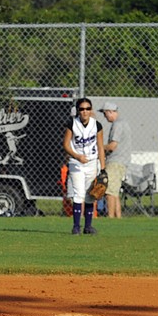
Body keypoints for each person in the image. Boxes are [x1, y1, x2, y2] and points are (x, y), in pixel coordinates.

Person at [63, 97, 105, 235]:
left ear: (91, 110)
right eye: (82, 109)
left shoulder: (97, 125)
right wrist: (77, 156)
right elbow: (66, 145)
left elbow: (100, 147)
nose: (85, 111)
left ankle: (88, 227)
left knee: (90, 195)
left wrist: (103, 169)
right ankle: (76, 226)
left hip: (92, 163)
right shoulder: (72, 124)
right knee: (78, 194)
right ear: (78, 111)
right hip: (76, 163)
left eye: (87, 109)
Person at [100, 101, 132, 218]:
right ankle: (118, 218)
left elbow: (112, 146)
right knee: (115, 192)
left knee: (109, 192)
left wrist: (99, 147)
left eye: (105, 114)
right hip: (121, 161)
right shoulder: (123, 123)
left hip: (115, 161)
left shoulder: (117, 124)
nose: (105, 116)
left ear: (110, 112)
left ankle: (110, 217)